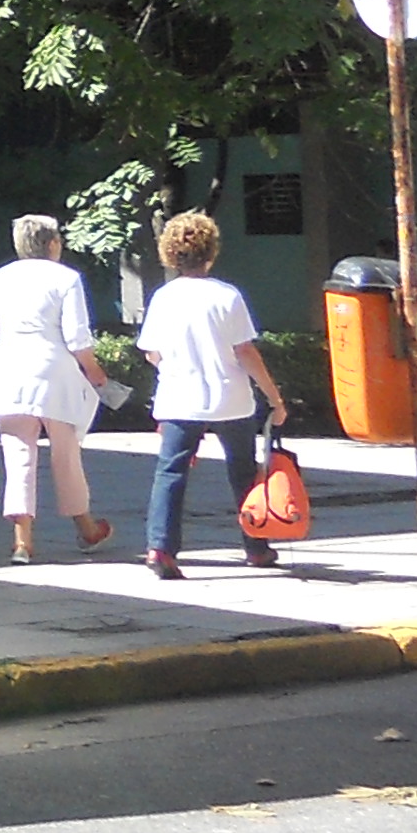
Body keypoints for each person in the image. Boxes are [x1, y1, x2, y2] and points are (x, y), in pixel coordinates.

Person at [137, 208, 290, 579]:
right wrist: (274, 398)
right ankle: (256, 546)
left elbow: (152, 352)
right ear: (211, 252)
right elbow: (245, 352)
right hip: (230, 399)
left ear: (170, 253)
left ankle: (161, 549)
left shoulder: (163, 297)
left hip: (178, 399)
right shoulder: (227, 296)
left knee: (171, 472)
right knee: (243, 472)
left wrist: (174, 367)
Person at [0, 214, 114, 563]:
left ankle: (22, 542)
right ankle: (87, 527)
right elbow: (77, 337)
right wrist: (94, 372)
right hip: (55, 373)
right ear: (53, 244)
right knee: (66, 453)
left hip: (10, 372)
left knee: (17, 456)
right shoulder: (66, 278)